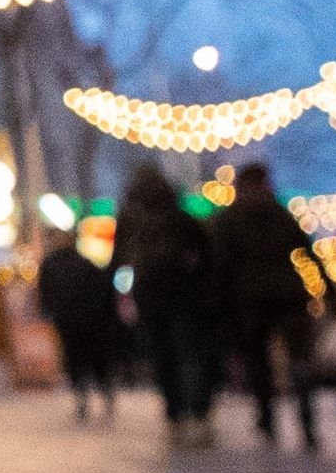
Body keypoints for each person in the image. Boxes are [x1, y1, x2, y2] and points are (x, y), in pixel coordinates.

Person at [210, 162, 322, 451]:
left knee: (259, 361)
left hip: (250, 299)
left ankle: (266, 417)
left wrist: (220, 303)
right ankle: (306, 419)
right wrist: (326, 291)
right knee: (297, 361)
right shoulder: (281, 214)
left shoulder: (230, 219)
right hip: (288, 295)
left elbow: (221, 264)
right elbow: (307, 252)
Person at [117, 160, 217, 448]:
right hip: (185, 297)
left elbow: (119, 259)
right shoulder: (180, 217)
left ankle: (175, 414)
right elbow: (206, 255)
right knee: (189, 356)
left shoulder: (131, 219)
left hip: (149, 296)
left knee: (164, 357)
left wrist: (119, 294)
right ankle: (198, 413)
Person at [34, 226, 129, 423]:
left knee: (75, 360)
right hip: (87, 321)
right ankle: (100, 395)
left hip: (68, 321)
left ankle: (84, 399)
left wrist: (48, 312)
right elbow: (101, 292)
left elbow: (45, 294)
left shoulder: (50, 264)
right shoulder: (83, 263)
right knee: (92, 359)